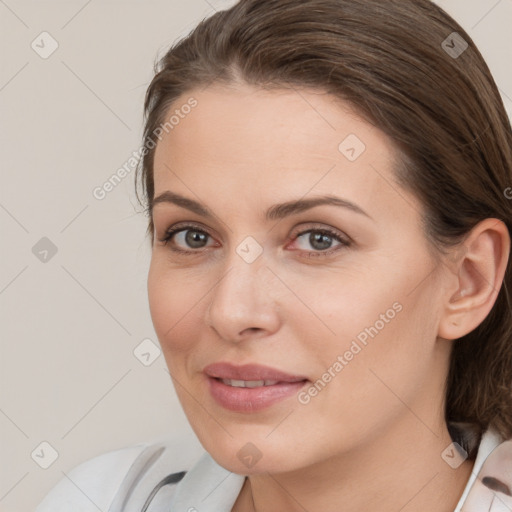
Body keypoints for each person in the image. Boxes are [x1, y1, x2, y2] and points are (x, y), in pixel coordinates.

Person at [35, 0, 512, 510]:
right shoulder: (97, 499)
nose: (230, 312)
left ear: (468, 281)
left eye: (318, 239)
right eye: (193, 236)